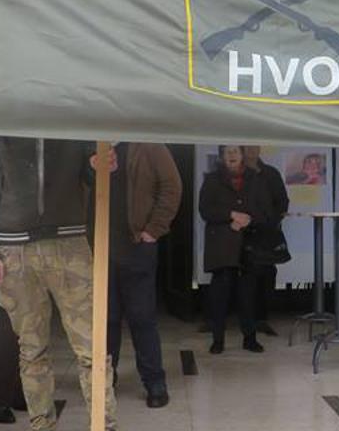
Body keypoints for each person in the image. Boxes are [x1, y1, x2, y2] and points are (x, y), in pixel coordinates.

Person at [0, 135, 139, 431]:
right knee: (32, 349)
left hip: (70, 242)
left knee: (93, 348)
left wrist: (98, 166)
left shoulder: (70, 110)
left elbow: (91, 168)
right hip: (13, 246)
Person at [90, 142, 182, 409]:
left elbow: (172, 186)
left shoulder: (148, 144)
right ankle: (106, 381)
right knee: (106, 319)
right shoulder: (92, 143)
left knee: (142, 318)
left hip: (137, 245)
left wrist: (154, 229)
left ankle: (154, 382)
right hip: (100, 247)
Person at [199, 145, 271, 354]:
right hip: (221, 247)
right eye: (227, 152)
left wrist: (247, 220)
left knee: (248, 295)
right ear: (221, 156)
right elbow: (205, 210)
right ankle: (217, 340)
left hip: (248, 245)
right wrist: (230, 215)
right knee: (219, 296)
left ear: (242, 155)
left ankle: (250, 338)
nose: (231, 155)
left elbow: (266, 210)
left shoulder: (255, 179)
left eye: (235, 152)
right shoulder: (212, 180)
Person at [243, 146, 288, 337]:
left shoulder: (270, 173)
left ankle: (261, 319)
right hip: (243, 232)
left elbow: (282, 202)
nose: (251, 149)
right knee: (246, 277)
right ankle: (245, 320)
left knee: (267, 275)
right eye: (248, 146)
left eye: (255, 146)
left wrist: (271, 222)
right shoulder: (237, 173)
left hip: (267, 233)